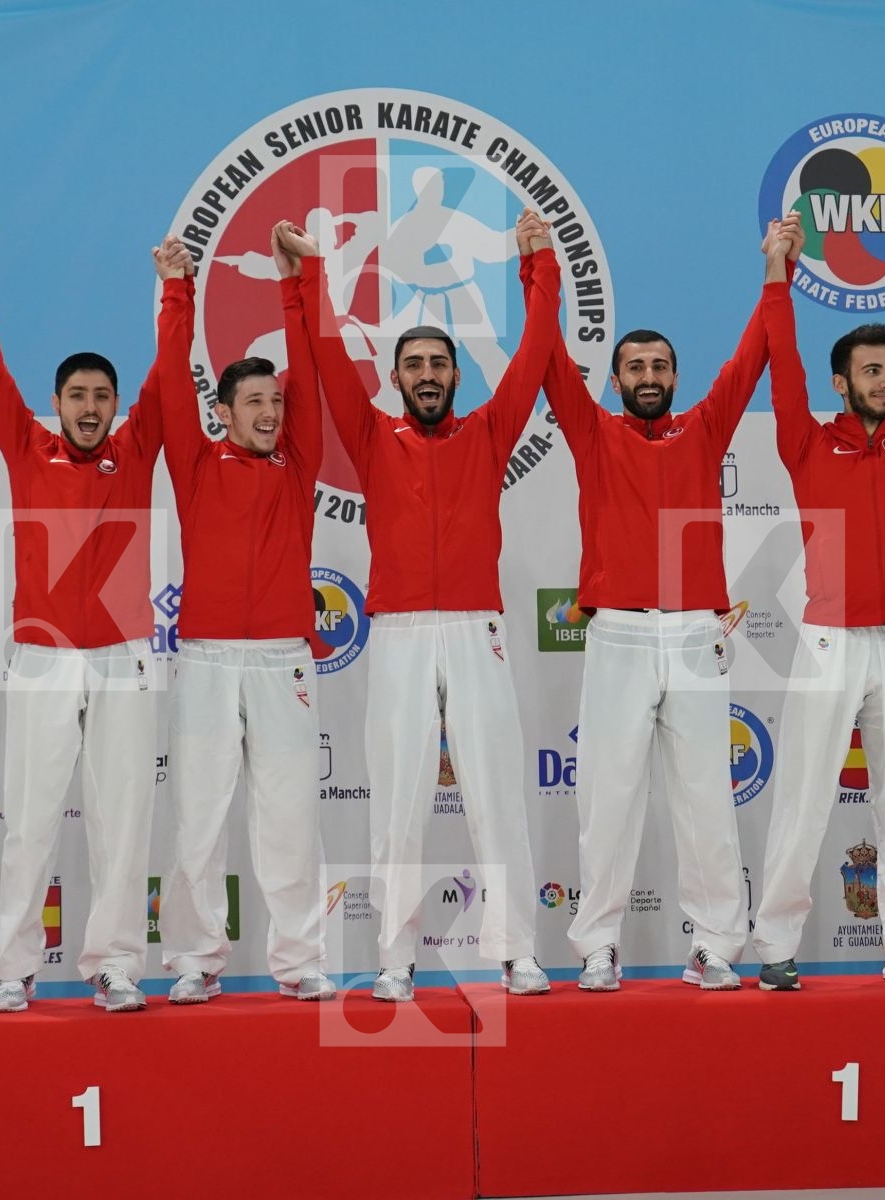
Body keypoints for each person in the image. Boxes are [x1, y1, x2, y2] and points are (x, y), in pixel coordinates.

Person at [301, 209, 559, 1002]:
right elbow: (325, 354)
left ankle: (516, 951)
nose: (424, 373)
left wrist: (538, 264)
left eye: (437, 363)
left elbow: (538, 353)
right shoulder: (374, 438)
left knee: (496, 795)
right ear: (396, 378)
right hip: (402, 633)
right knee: (399, 803)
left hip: (475, 628)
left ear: (455, 377)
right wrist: (307, 274)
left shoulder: (489, 433)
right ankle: (395, 959)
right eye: (411, 362)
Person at [529, 220, 791, 991]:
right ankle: (597, 944)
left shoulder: (705, 430)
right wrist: (536, 265)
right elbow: (543, 362)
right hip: (616, 634)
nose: (648, 373)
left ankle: (715, 944)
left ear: (677, 376)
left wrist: (776, 271)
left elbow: (756, 358)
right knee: (606, 799)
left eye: (660, 364)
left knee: (707, 798)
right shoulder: (593, 432)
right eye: (635, 365)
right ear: (613, 381)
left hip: (694, 638)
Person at [750, 210, 885, 991]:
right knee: (804, 799)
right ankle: (774, 942)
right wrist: (777, 273)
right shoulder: (807, 442)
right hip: (828, 640)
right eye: (870, 371)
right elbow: (780, 361)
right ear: (841, 383)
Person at [0, 229, 166, 1014]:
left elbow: (168, 380)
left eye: (102, 397)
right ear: (57, 405)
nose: (90, 407)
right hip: (43, 654)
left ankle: (115, 963)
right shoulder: (26, 447)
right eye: (77, 396)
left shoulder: (137, 449)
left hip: (123, 652)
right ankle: (14, 966)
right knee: (32, 820)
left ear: (116, 407)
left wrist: (175, 288)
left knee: (124, 817)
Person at [156, 227, 334, 1003]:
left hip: (283, 661)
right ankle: (196, 960)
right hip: (206, 660)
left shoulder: (300, 467)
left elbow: (316, 376)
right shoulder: (195, 463)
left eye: (274, 401)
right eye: (253, 401)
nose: (268, 411)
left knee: (290, 816)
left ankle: (299, 962)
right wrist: (177, 292)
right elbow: (169, 378)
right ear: (223, 411)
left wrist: (298, 284)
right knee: (199, 817)